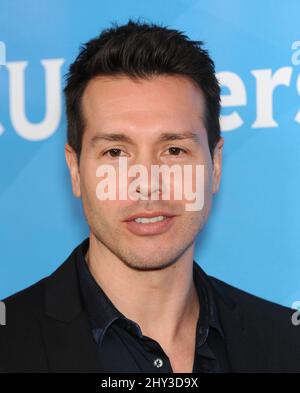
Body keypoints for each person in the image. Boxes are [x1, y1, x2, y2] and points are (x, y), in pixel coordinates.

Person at [0, 19, 299, 373]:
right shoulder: (9, 346)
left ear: (215, 166)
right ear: (75, 170)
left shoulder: (287, 345)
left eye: (173, 151)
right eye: (115, 153)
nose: (147, 183)